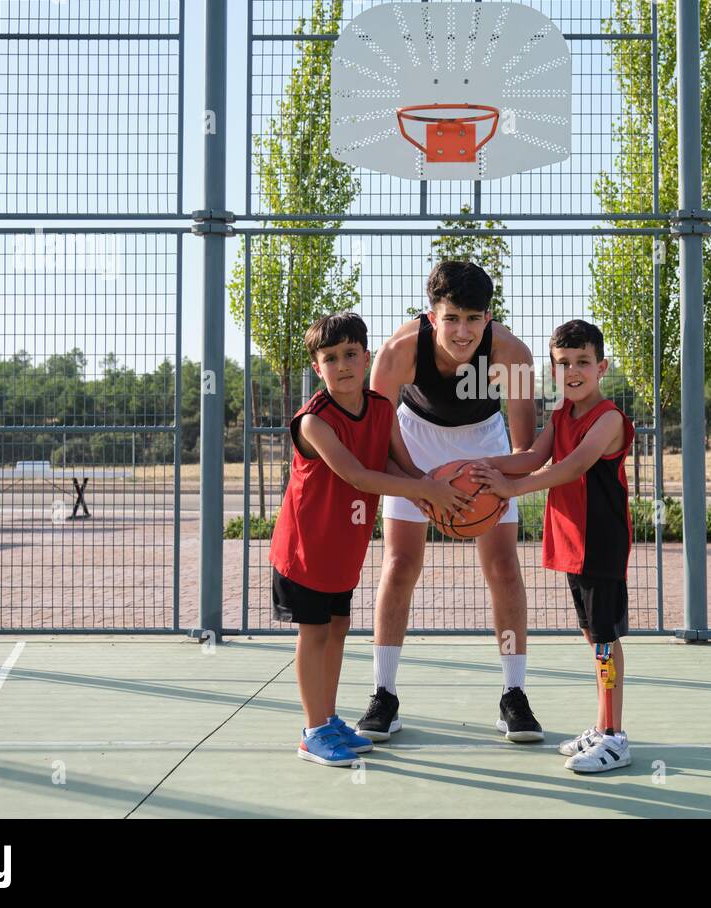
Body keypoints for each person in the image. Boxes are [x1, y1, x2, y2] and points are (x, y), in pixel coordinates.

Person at [270, 312, 475, 766]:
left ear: (366, 358)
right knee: (315, 633)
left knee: (339, 629)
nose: (342, 365)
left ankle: (327, 717)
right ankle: (312, 731)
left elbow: (399, 461)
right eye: (330, 358)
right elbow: (361, 476)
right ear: (316, 366)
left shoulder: (381, 408)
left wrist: (431, 493)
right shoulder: (313, 422)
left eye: (350, 354)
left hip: (343, 548)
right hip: (305, 549)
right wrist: (425, 490)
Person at [357, 260, 545, 742]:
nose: (463, 331)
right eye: (451, 318)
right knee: (400, 563)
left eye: (474, 318)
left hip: (485, 442)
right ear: (431, 314)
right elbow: (379, 440)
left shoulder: (512, 353)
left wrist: (499, 480)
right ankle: (384, 694)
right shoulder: (397, 352)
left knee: (503, 567)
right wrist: (418, 483)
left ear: (488, 317)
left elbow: (524, 451)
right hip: (413, 439)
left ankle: (514, 695)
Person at [469, 319, 636, 773]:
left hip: (600, 542)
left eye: (582, 362)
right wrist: (477, 465)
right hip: (573, 542)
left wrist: (507, 489)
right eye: (563, 364)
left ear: (601, 367)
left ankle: (616, 736)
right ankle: (602, 726)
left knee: (604, 640)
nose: (573, 371)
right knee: (592, 636)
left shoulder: (608, 419)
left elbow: (573, 466)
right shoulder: (563, 414)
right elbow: (532, 458)